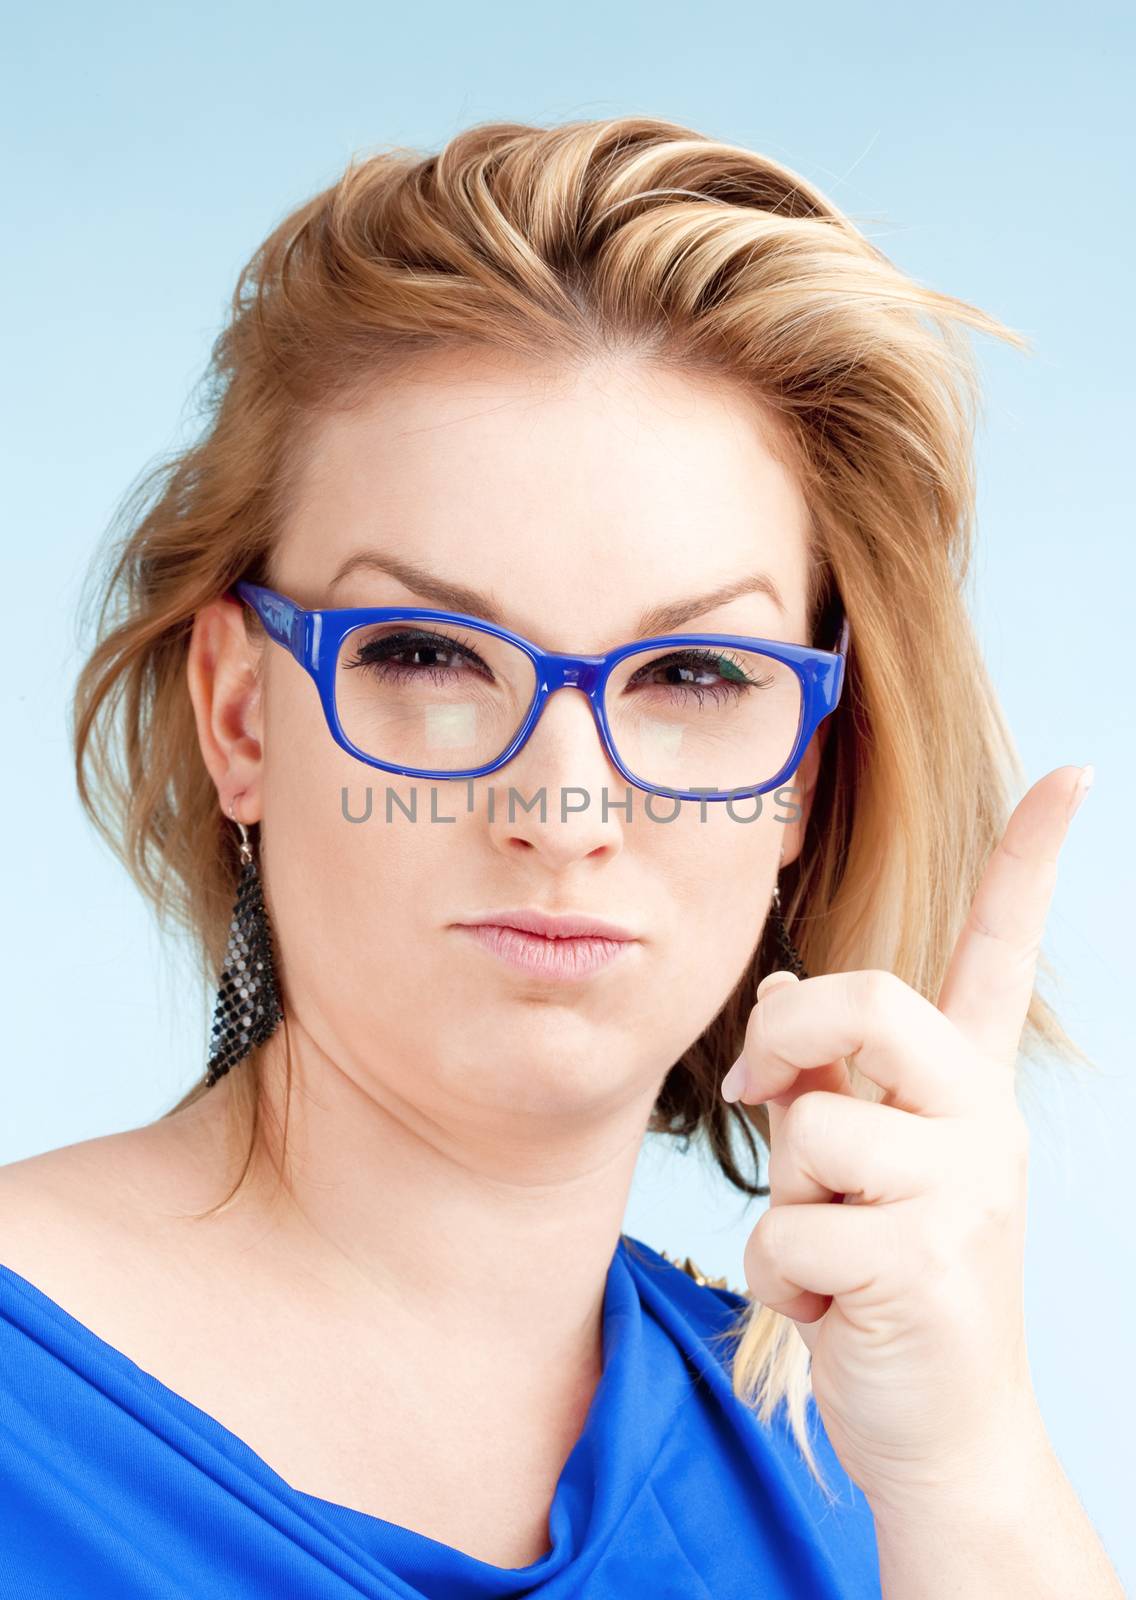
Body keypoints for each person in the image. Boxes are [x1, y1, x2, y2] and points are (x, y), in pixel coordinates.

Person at [0, 115, 1122, 1598]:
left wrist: (976, 1477)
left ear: (804, 778)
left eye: (699, 677)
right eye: (424, 651)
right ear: (238, 714)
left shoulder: (879, 1472)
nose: (567, 807)